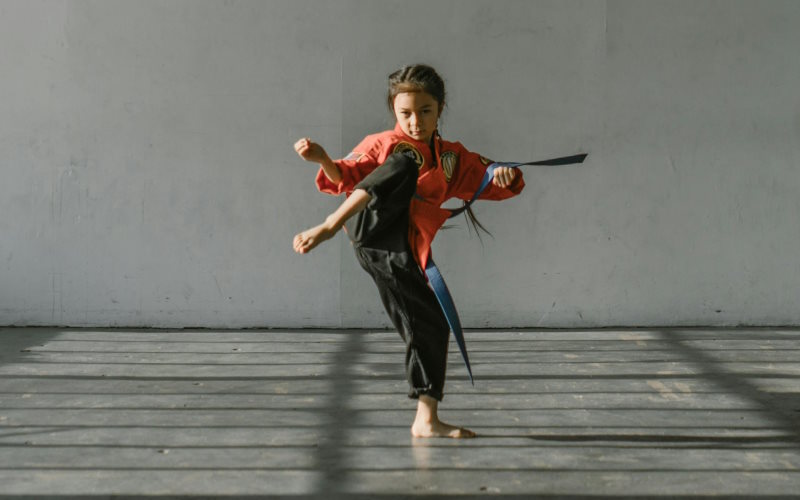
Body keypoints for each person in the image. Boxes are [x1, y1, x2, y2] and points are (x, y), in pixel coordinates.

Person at [292, 64, 524, 438]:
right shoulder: (381, 143)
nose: (415, 122)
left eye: (425, 111)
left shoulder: (451, 156)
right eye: (406, 113)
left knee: (431, 323)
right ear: (394, 111)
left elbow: (485, 173)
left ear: (440, 108)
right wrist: (322, 160)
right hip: (372, 228)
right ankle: (329, 225)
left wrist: (503, 173)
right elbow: (348, 174)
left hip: (402, 245)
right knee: (401, 163)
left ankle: (426, 420)